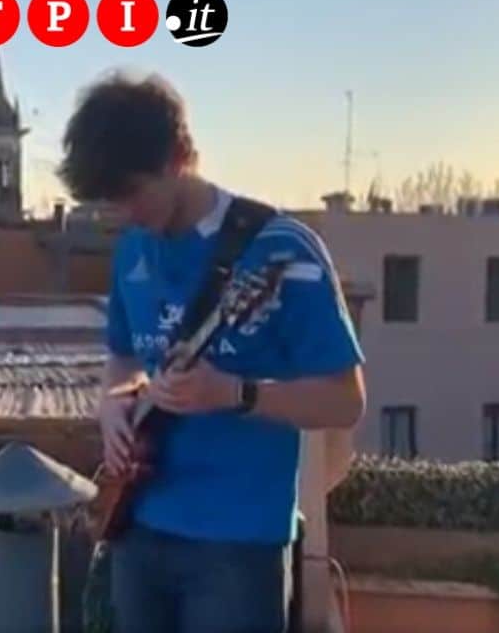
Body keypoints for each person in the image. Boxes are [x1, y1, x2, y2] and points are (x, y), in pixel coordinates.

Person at [66, 73, 366, 633]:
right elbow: (124, 358)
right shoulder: (132, 246)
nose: (123, 213)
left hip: (237, 544)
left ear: (179, 156)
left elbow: (344, 402)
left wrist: (234, 393)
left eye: (132, 192)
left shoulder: (284, 250)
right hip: (140, 523)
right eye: (110, 200)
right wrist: (111, 407)